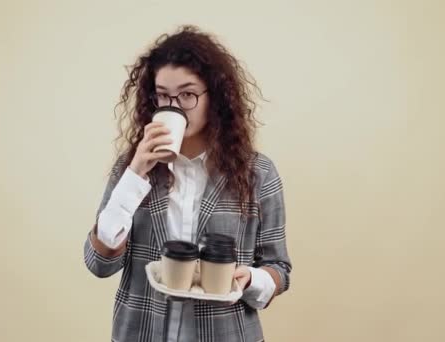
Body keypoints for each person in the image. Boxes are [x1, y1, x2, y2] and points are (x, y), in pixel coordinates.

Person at [84, 25, 292, 342]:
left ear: (215, 96)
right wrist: (136, 171)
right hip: (142, 332)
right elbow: (99, 263)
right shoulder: (133, 169)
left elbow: (278, 267)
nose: (174, 106)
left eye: (188, 94)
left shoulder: (256, 173)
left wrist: (249, 278)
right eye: (163, 96)